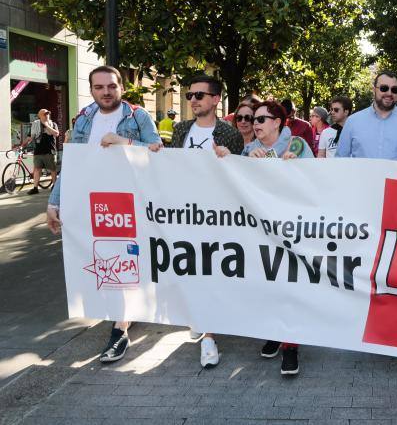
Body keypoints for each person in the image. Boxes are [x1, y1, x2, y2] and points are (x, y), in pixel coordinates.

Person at [45, 65, 161, 363]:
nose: (106, 92)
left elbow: (157, 151)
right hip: (93, 203)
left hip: (130, 202)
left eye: (111, 86)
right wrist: (54, 202)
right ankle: (122, 318)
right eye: (99, 87)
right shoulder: (84, 119)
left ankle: (120, 327)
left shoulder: (137, 116)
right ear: (92, 89)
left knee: (124, 259)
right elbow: (71, 164)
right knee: (104, 259)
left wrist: (124, 142)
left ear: (121, 87)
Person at [169, 75, 244, 368]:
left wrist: (227, 160)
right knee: (190, 268)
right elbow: (170, 167)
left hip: (215, 215)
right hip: (182, 213)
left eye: (199, 95)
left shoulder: (229, 134)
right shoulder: (180, 130)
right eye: (189, 96)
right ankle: (200, 317)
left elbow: (238, 178)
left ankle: (210, 337)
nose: (193, 101)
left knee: (211, 270)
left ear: (215, 99)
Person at [235, 100, 310, 375]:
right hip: (260, 229)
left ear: (278, 122)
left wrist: (294, 168)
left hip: (291, 229)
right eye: (253, 119)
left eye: (261, 119)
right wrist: (242, 163)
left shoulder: (298, 147)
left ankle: (291, 346)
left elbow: (315, 184)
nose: (255, 123)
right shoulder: (248, 148)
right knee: (268, 283)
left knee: (290, 285)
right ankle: (275, 333)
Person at [336, 70, 397, 161]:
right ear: (374, 90)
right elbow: (340, 159)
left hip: (396, 175)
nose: (389, 93)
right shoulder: (353, 121)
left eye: (394, 90)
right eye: (384, 88)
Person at [21, 108, 59, 194]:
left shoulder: (53, 124)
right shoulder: (35, 125)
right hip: (38, 151)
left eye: (48, 114)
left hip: (50, 151)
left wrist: (46, 125)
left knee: (52, 169)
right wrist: (23, 144)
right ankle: (35, 188)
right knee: (37, 169)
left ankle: (55, 186)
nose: (47, 115)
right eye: (44, 114)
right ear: (39, 116)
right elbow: (30, 137)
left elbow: (56, 133)